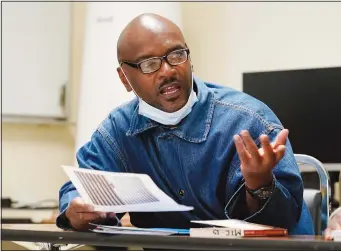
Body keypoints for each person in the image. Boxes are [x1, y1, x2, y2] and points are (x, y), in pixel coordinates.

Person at [56, 13, 314, 235]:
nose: (167, 70)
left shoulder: (249, 120)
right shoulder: (118, 131)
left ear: (190, 59)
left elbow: (285, 219)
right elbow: (81, 188)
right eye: (149, 64)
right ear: (124, 78)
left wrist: (260, 185)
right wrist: (78, 209)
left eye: (176, 55)